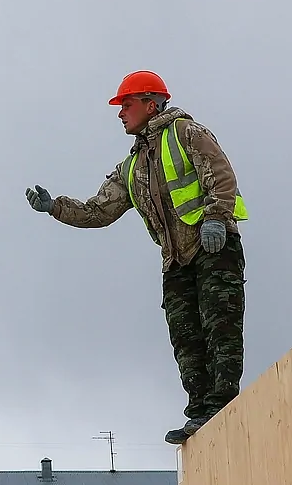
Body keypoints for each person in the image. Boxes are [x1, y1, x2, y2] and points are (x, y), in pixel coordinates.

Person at [25, 70, 248, 444]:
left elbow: (221, 177)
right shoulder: (132, 167)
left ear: (150, 103)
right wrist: (54, 208)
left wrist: (216, 219)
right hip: (176, 261)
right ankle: (200, 413)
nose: (120, 113)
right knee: (186, 339)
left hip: (213, 249)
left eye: (125, 105)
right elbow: (99, 211)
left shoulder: (187, 134)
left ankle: (222, 407)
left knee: (220, 329)